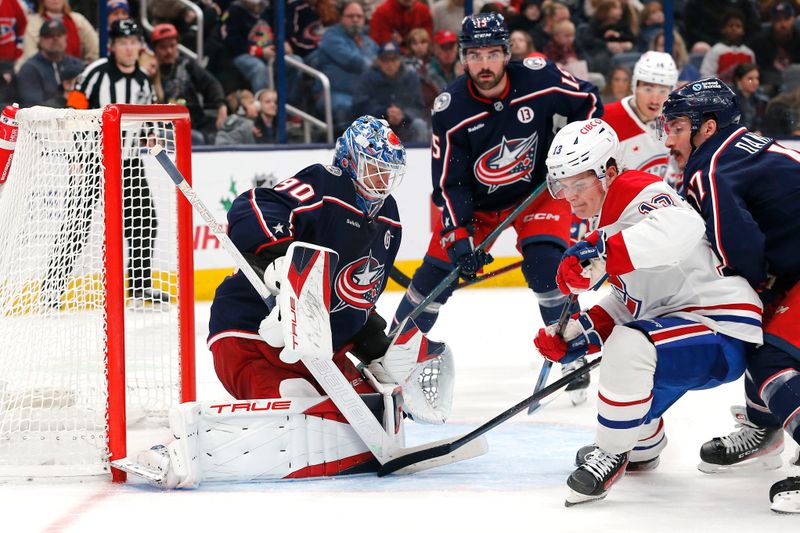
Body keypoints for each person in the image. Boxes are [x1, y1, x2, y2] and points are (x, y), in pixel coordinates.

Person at [535, 117, 762, 506]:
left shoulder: (637, 190)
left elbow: (684, 228)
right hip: (679, 329)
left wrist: (603, 252)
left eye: (579, 182)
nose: (570, 196)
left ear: (608, 172)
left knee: (630, 346)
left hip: (718, 326)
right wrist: (582, 334)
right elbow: (631, 300)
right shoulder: (607, 219)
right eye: (562, 185)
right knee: (631, 377)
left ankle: (610, 453)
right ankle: (642, 445)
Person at [391, 13, 602, 399]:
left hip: (537, 193)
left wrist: (571, 157)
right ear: (462, 58)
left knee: (544, 267)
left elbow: (588, 102)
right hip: (478, 206)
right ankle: (391, 356)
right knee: (434, 278)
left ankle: (570, 348)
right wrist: (458, 237)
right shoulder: (450, 109)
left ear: (507, 53)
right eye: (474, 55)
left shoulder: (540, 78)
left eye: (492, 53)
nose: (484, 64)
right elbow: (448, 183)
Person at [662, 77, 800, 514]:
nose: (669, 139)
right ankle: (764, 428)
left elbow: (740, 248)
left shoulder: (710, 166)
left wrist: (748, 286)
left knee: (770, 354)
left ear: (707, 126)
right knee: (760, 332)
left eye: (677, 126)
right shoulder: (745, 145)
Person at [61, 19, 165, 306]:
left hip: (130, 163)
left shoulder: (144, 80)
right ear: (113, 46)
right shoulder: (95, 73)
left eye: (133, 43)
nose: (129, 48)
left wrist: (150, 135)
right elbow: (74, 114)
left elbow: (145, 121)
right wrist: (78, 156)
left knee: (145, 222)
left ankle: (140, 287)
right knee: (76, 224)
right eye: (123, 43)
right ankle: (51, 291)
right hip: (94, 160)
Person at [601, 51, 678, 181]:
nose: (655, 100)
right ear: (634, 87)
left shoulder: (670, 120)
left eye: (663, 91)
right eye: (648, 89)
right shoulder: (606, 120)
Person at [150, 23, 227, 145]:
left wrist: (221, 105)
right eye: (163, 47)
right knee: (196, 139)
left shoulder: (187, 64)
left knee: (228, 131)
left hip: (195, 121)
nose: (169, 51)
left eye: (172, 46)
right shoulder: (149, 71)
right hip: (165, 127)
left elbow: (211, 83)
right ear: (155, 49)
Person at [314, 0, 378, 132]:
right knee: (347, 107)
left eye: (359, 16)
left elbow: (380, 64)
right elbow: (352, 61)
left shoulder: (369, 42)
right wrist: (375, 66)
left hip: (361, 95)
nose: (355, 20)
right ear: (341, 18)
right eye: (350, 16)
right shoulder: (331, 36)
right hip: (333, 93)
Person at [352, 40, 429, 143]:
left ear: (400, 60)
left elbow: (419, 107)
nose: (390, 64)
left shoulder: (411, 77)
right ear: (379, 61)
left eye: (394, 60)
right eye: (385, 60)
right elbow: (358, 108)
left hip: (405, 124)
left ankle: (420, 157)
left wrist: (403, 114)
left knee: (420, 125)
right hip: (377, 126)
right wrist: (384, 112)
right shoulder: (367, 79)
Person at [16, 19, 83, 107]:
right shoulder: (29, 69)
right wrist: (63, 99)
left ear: (66, 37)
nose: (55, 38)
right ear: (40, 40)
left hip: (80, 117)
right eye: (49, 35)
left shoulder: (76, 64)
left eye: (59, 35)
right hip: (44, 119)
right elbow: (33, 108)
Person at [20, 0, 98, 67]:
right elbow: (30, 55)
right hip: (44, 75)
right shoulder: (33, 23)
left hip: (76, 73)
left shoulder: (78, 20)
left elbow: (95, 50)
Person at [747, 2, 800, 95]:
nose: (783, 24)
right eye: (778, 20)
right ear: (771, 21)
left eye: (786, 19)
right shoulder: (760, 39)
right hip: (768, 81)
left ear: (793, 19)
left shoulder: (798, 38)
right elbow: (756, 68)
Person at [698, 9, 755, 83]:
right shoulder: (715, 51)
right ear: (723, 29)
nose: (734, 29)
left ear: (743, 30)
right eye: (730, 26)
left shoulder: (749, 53)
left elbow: (753, 75)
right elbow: (706, 75)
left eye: (738, 26)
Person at [368, 0, 433, 48]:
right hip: (392, 59)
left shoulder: (424, 11)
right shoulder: (381, 13)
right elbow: (381, 44)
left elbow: (428, 40)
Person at [731, 63, 768, 134]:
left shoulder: (762, 101)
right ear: (738, 80)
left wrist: (760, 131)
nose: (755, 82)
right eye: (750, 79)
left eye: (757, 78)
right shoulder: (729, 100)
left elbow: (764, 125)